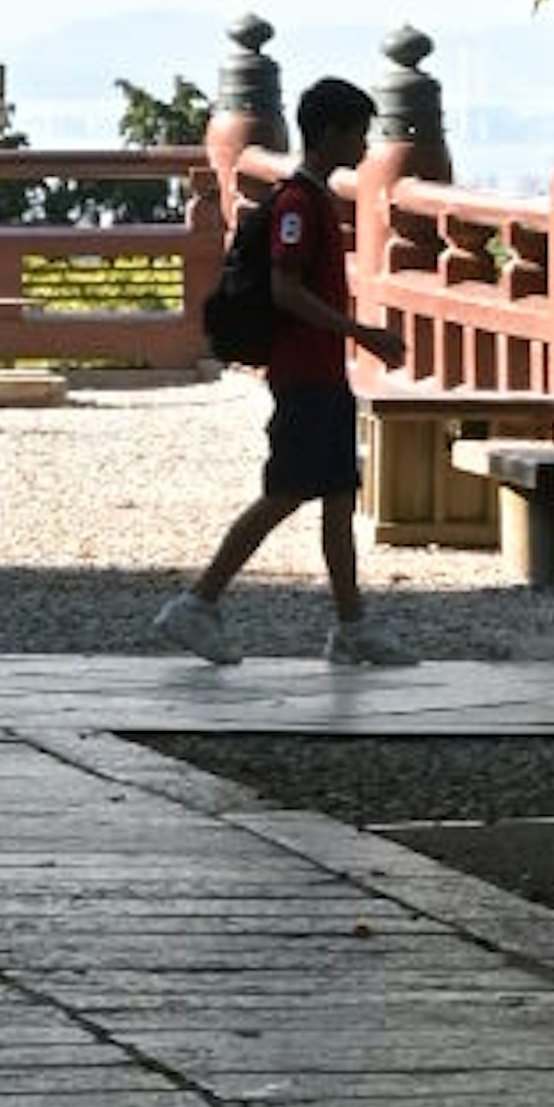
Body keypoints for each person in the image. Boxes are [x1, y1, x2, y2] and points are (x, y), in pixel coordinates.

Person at [150, 70, 406, 664]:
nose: (365, 148)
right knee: (285, 493)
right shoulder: (298, 205)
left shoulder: (312, 201)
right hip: (305, 372)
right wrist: (362, 333)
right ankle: (197, 603)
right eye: (359, 135)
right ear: (332, 135)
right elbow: (286, 290)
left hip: (323, 373)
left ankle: (352, 625)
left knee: (339, 494)